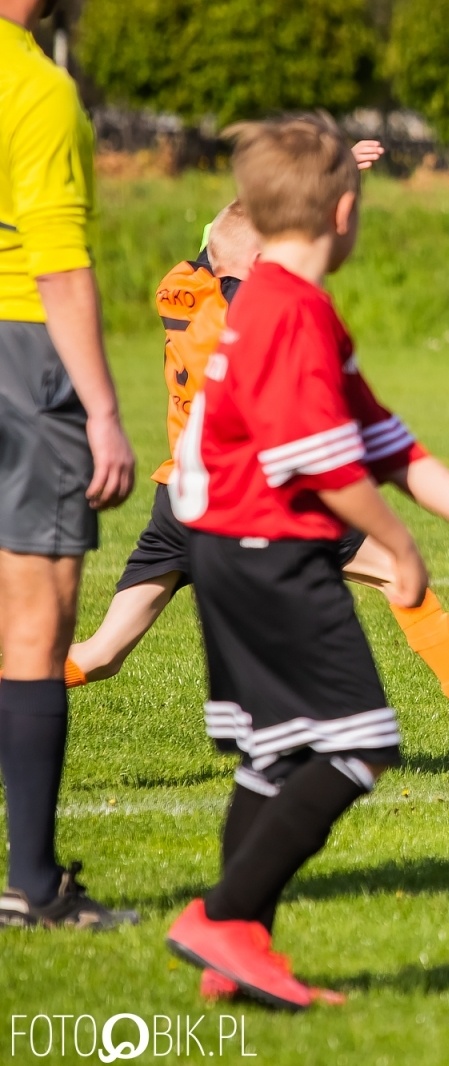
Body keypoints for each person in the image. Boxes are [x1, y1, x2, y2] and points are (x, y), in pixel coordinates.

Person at [162, 113, 449, 1008]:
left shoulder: (274, 298)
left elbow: (386, 441)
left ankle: (238, 949)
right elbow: (318, 460)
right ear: (344, 212)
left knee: (274, 755)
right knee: (362, 745)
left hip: (230, 548)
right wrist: (402, 545)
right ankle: (223, 919)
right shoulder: (292, 313)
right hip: (268, 552)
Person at [63, 189, 449, 759]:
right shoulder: (261, 319)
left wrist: (299, 180)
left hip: (180, 495)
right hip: (251, 496)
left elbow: (224, 237)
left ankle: (22, 684)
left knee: (103, 654)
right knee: (397, 574)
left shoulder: (177, 287)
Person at [0, 0, 139, 930]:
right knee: (33, 626)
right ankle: (33, 883)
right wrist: (103, 411)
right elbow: (56, 264)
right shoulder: (35, 87)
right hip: (22, 353)